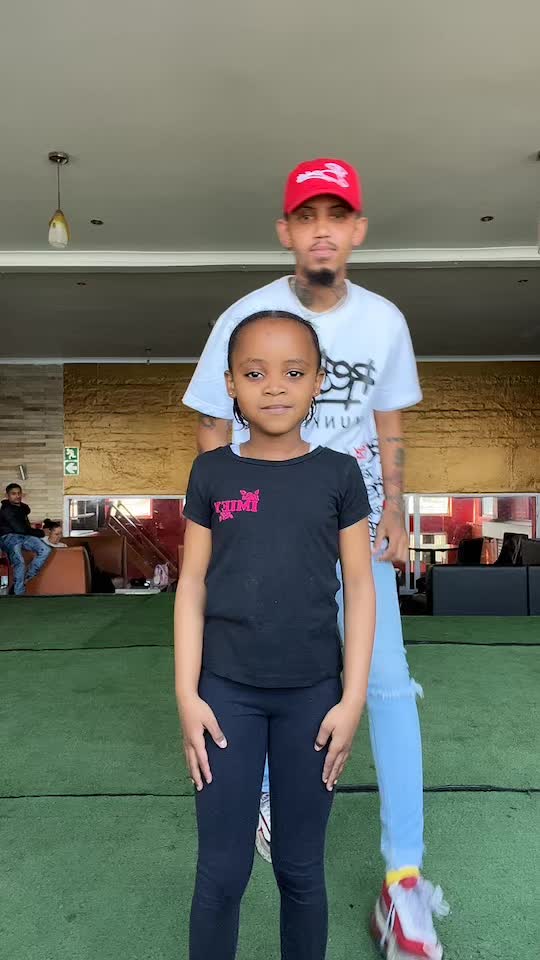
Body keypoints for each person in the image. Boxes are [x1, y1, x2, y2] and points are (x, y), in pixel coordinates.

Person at [182, 158, 448, 958]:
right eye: (307, 217)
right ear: (287, 231)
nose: (322, 230)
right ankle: (266, 791)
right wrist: (228, 518)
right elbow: (210, 422)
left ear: (357, 230)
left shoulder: (384, 321)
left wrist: (394, 508)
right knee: (256, 663)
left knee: (387, 687)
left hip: (350, 525)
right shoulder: (245, 314)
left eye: (336, 216)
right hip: (264, 529)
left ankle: (404, 882)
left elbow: (390, 422)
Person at [175, 310, 375, 960]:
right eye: (255, 373)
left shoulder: (339, 474)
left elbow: (360, 587)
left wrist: (351, 699)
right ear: (231, 384)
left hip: (313, 699)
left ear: (318, 382)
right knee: (221, 873)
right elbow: (192, 585)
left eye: (293, 372)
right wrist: (187, 695)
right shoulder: (211, 474)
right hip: (224, 696)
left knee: (300, 868)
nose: (275, 387)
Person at [0, 484, 51, 595]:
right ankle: (19, 593)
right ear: (7, 495)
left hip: (23, 536)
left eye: (19, 493)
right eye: (13, 494)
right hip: (9, 537)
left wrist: (35, 531)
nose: (17, 496)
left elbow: (24, 529)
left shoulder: (22, 509)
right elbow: (20, 528)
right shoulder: (6, 510)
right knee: (20, 562)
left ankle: (26, 577)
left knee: (46, 549)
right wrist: (41, 532)